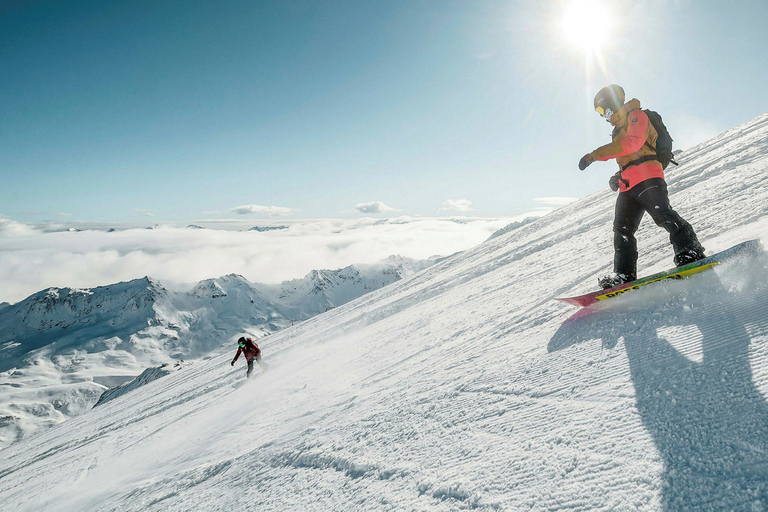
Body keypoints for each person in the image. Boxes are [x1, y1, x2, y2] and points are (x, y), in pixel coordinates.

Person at [578, 84, 706, 289]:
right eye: (600, 113)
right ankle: (624, 274)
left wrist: (595, 155)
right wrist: (618, 176)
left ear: (614, 102)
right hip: (628, 186)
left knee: (662, 214)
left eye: (604, 110)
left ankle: (690, 250)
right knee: (622, 230)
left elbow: (633, 145)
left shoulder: (637, 116)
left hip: (649, 178)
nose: (603, 116)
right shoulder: (617, 130)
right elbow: (629, 158)